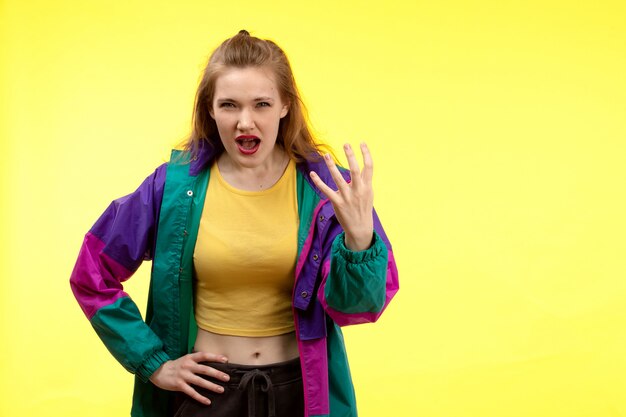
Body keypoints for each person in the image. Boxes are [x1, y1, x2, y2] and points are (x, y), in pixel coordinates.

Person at [70, 30, 399, 417]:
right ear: (210, 109)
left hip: (301, 393)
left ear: (285, 106)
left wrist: (360, 240)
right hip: (206, 395)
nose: (246, 122)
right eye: (229, 105)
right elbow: (92, 274)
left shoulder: (326, 191)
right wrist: (154, 363)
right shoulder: (172, 188)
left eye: (261, 104)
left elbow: (356, 309)